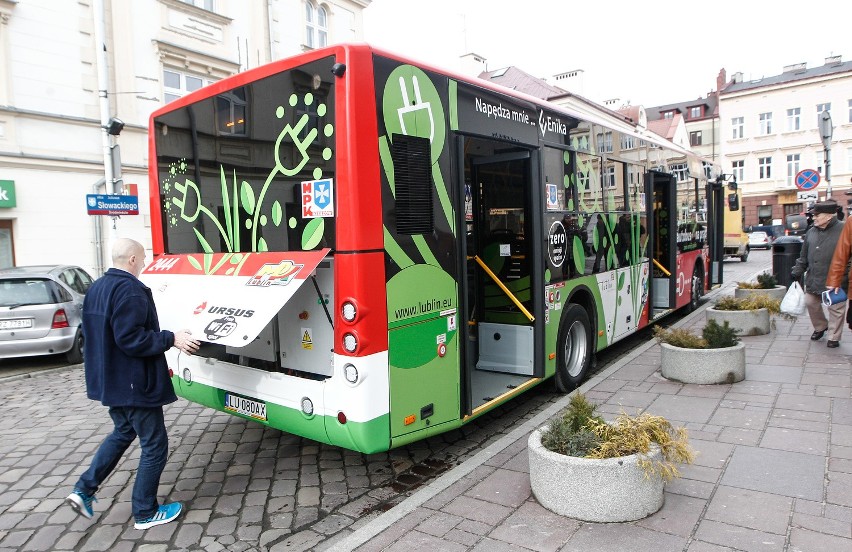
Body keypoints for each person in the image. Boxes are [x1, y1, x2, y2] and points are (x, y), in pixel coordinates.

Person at [66, 238, 200, 529]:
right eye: (143, 257)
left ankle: (84, 489)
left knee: (123, 432)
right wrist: (171, 338)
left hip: (111, 381)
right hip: (134, 384)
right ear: (132, 260)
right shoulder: (130, 290)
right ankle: (145, 511)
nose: (145, 262)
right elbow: (130, 338)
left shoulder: (97, 287)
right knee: (155, 445)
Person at [791, 200, 846, 348]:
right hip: (814, 278)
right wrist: (797, 270)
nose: (813, 218)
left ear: (829, 216)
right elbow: (803, 256)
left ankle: (834, 337)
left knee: (836, 308)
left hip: (836, 279)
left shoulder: (844, 229)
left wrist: (845, 274)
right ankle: (821, 326)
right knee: (810, 302)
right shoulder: (811, 232)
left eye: (817, 215)